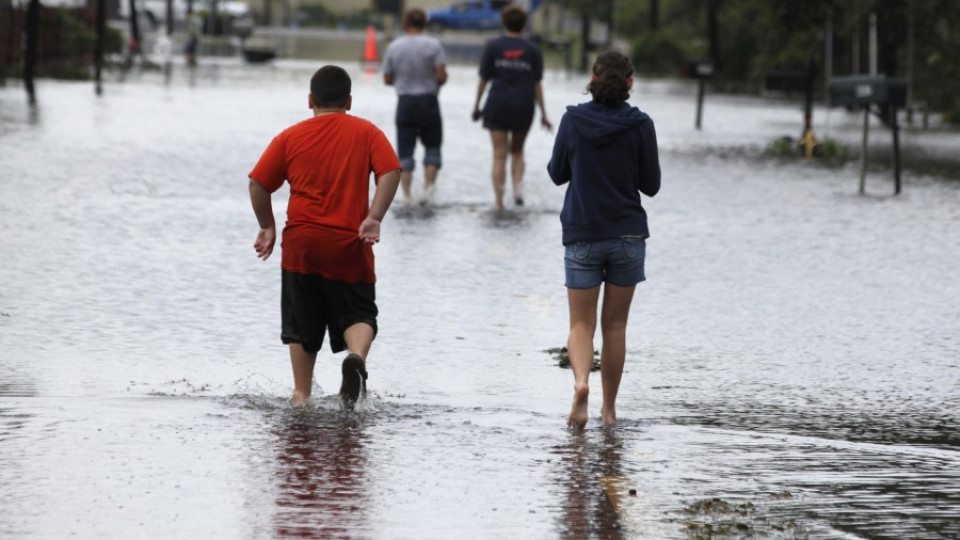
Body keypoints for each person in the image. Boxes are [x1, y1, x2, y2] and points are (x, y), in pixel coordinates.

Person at [248, 65, 402, 408]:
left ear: (310, 100)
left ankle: (301, 396)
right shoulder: (366, 132)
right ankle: (357, 357)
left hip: (301, 246)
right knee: (359, 313)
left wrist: (268, 225)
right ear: (349, 100)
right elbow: (391, 171)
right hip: (348, 244)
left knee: (303, 326)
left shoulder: (290, 137)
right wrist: (374, 216)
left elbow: (258, 184)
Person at [546, 51, 661, 429]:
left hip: (583, 233)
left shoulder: (572, 120)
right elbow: (652, 185)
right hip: (627, 234)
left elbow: (556, 173)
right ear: (630, 82)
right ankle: (609, 411)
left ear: (593, 78)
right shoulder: (641, 124)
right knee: (615, 327)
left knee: (581, 325)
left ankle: (581, 384)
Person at [472, 5, 551, 210]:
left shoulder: (493, 46)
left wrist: (477, 105)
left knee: (499, 154)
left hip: (497, 103)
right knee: (517, 151)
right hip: (523, 105)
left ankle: (499, 202)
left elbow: (483, 79)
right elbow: (537, 84)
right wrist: (544, 114)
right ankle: (517, 190)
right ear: (524, 24)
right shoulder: (533, 50)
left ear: (504, 22)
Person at [382, 8, 448, 206]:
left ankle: (408, 197)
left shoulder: (394, 46)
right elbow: (442, 76)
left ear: (405, 23)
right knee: (433, 149)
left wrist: (402, 81)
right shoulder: (434, 45)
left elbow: (387, 78)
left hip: (405, 102)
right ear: (424, 24)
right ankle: (427, 193)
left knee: (405, 152)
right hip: (429, 100)